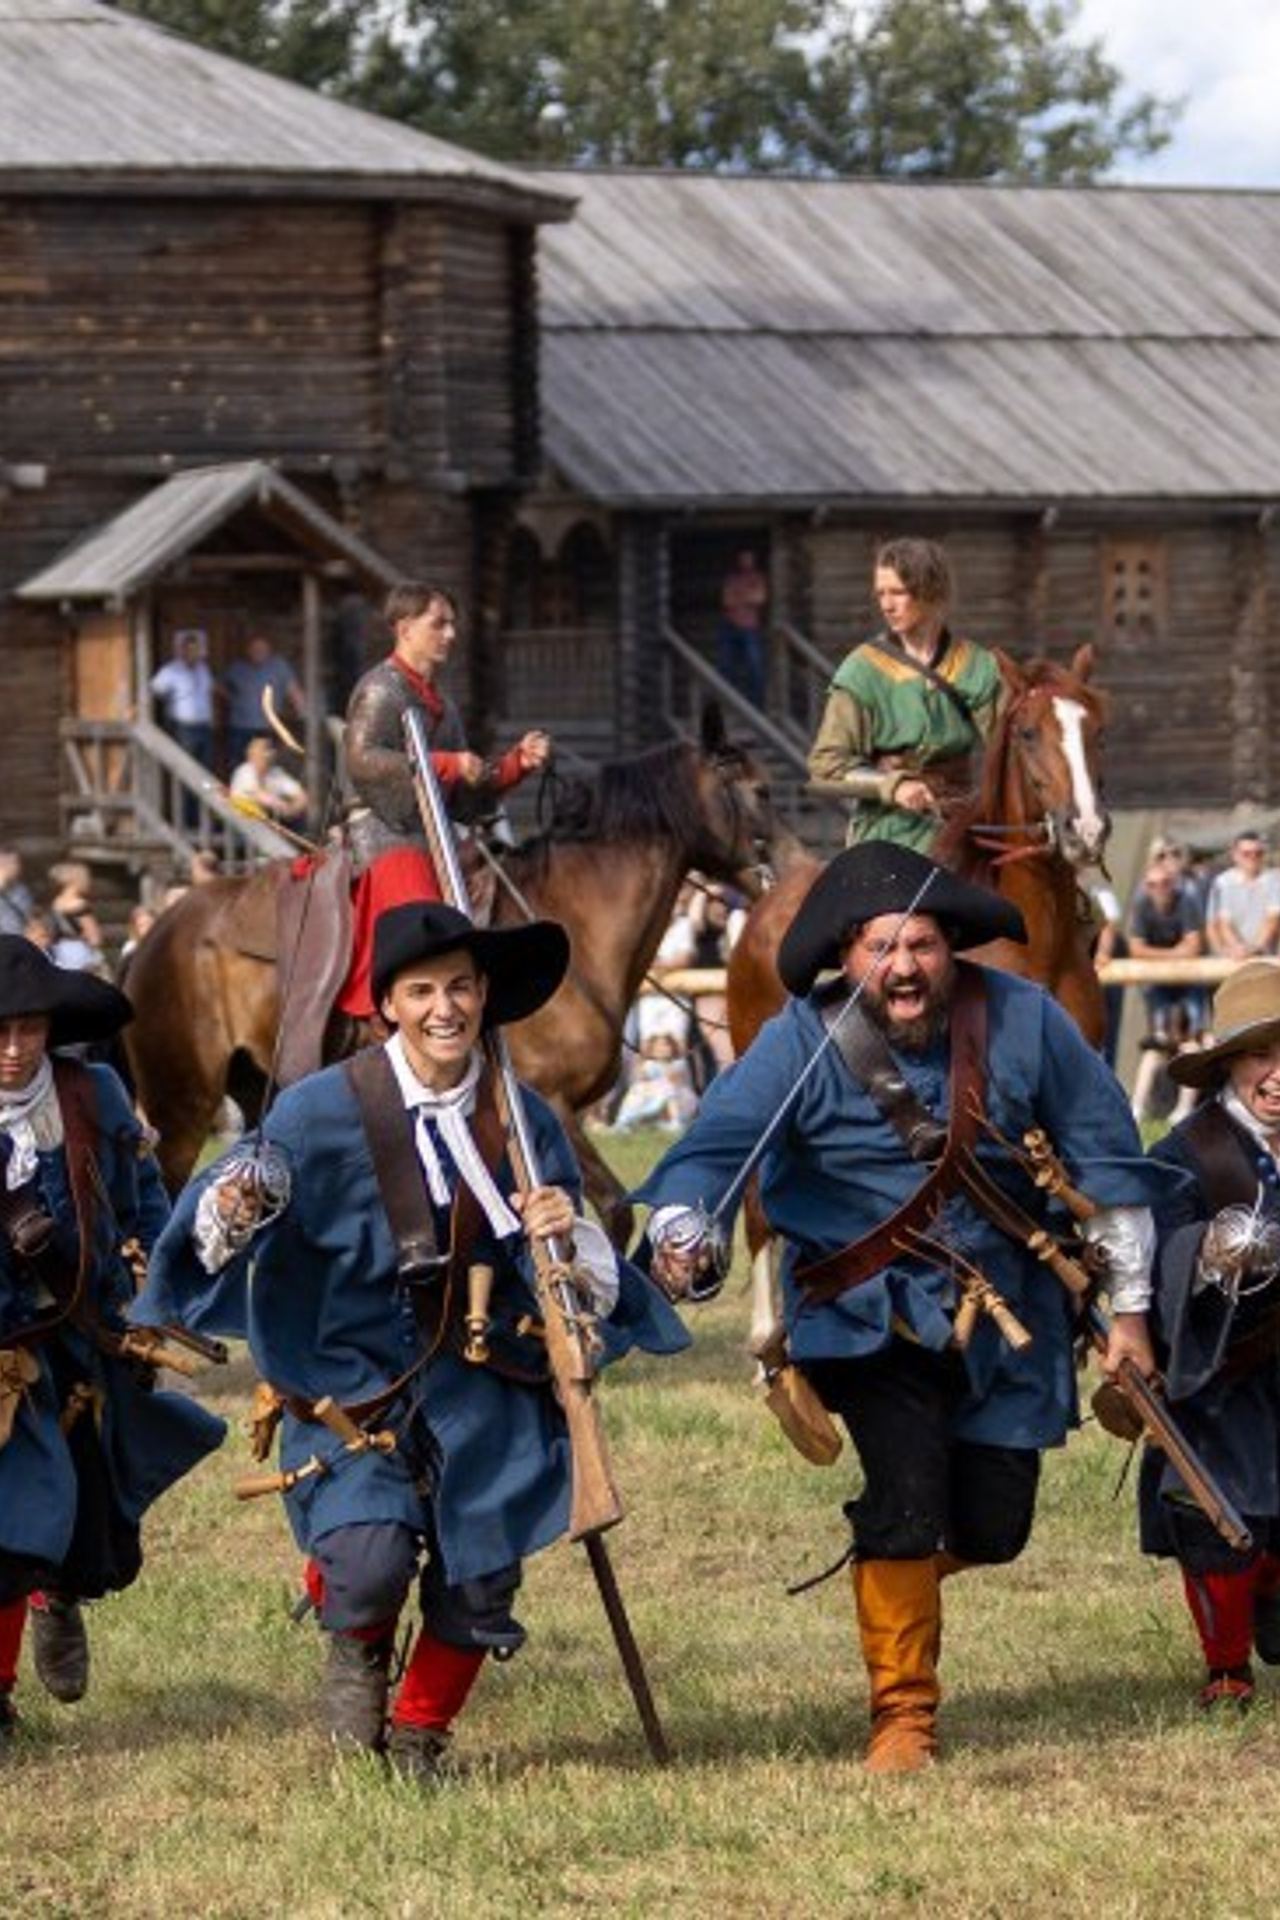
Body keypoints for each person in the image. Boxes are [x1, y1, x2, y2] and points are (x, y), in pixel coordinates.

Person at [637, 843, 1166, 1774]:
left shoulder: (1028, 1021)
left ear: (950, 947)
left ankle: (894, 1569)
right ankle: (903, 1716)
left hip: (1010, 1313)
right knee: (908, 1498)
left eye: (921, 943)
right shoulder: (799, 1039)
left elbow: (1111, 1166)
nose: (905, 965)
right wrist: (687, 1229)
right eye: (882, 946)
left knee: (996, 1529)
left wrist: (1127, 1317)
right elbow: (715, 1149)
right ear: (847, 955)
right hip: (864, 1312)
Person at [136, 901, 687, 1776]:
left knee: (480, 1576)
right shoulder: (318, 1111)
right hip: (352, 1379)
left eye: (461, 988)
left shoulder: (525, 1119)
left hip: (485, 1378)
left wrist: (562, 1233)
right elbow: (220, 1215)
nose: (445, 1009)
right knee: (367, 1560)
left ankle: (421, 1736)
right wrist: (237, 1199)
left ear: (483, 997)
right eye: (422, 990)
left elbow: (587, 1285)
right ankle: (353, 1642)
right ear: (387, 1005)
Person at [0, 936, 224, 1754]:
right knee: (14, 1526)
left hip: (84, 1344)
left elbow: (141, 1204)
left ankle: (60, 1599)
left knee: (82, 1532)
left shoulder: (92, 1092)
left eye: (27, 1028)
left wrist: (158, 1299)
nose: (14, 1047)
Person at [1141, 961, 1280, 1710]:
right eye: (1263, 1054)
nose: (1278, 1073)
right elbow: (1152, 1249)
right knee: (1217, 1520)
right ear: (1231, 1061)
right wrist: (1214, 1249)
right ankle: (1225, 1669)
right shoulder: (1187, 1152)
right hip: (1218, 1374)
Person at [339, 582, 552, 1019]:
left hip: (435, 838)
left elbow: (464, 797)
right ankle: (382, 1023)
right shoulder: (381, 688)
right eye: (439, 624)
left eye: (452, 624)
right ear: (404, 629)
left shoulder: (443, 705)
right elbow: (363, 759)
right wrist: (447, 764)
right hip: (387, 836)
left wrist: (515, 765)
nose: (451, 634)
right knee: (425, 941)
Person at [808, 538, 1003, 851]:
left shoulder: (976, 666)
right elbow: (826, 766)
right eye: (881, 594)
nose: (886, 605)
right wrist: (892, 786)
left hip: (961, 827)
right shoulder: (862, 670)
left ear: (930, 591)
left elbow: (1010, 749)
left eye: (898, 592)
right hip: (886, 832)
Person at [221, 634, 306, 775]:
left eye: (261, 649)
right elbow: (219, 685)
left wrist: (303, 713)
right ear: (248, 651)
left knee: (267, 766)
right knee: (238, 767)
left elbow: (294, 690)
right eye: (254, 649)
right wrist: (232, 699)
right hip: (240, 728)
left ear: (269, 650)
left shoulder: (279, 666)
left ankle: (263, 796)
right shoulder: (238, 668)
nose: (257, 652)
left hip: (267, 728)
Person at [1205, 830, 1280, 960]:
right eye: (1246, 853)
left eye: (1258, 853)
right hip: (1229, 958)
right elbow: (1221, 924)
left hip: (1263, 958)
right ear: (1235, 855)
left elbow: (1272, 921)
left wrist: (1252, 950)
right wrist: (1232, 951)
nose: (1253, 857)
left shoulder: (1274, 881)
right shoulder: (1222, 883)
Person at [149, 630, 214, 767]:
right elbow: (152, 691)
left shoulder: (203, 669)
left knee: (205, 766)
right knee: (186, 767)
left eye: (196, 649)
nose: (193, 653)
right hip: (183, 728)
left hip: (204, 726)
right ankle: (185, 790)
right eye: (189, 649)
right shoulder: (170, 671)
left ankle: (199, 790)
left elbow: (208, 693)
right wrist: (137, 708)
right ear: (182, 650)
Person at [715, 549, 769, 710]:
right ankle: (727, 704)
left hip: (749, 627)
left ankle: (757, 705)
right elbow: (727, 600)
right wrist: (746, 597)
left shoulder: (757, 578)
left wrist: (739, 596)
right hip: (729, 625)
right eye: (743, 559)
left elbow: (760, 598)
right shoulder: (732, 578)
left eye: (748, 559)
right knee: (725, 665)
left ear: (753, 561)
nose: (746, 562)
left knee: (755, 666)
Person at [229, 734, 310, 827]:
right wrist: (284, 807)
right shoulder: (244, 772)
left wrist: (293, 809)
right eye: (262, 750)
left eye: (268, 749)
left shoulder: (277, 773)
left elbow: (302, 796)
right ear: (251, 754)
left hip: (268, 825)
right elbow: (260, 796)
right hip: (242, 826)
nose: (267, 754)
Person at [0, 851, 33, 939]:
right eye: (14, 863)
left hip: (22, 941)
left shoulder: (21, 890)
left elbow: (28, 915)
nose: (19, 867)